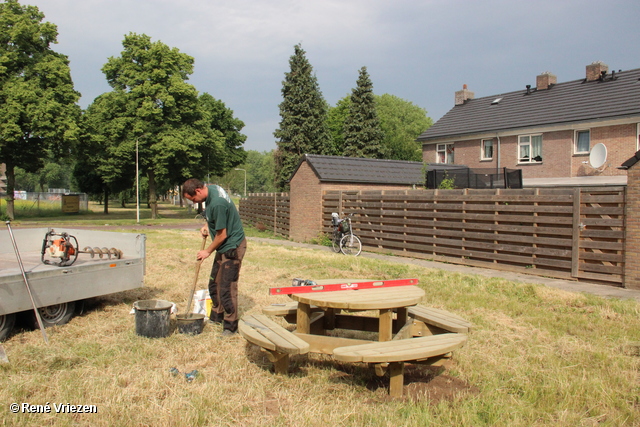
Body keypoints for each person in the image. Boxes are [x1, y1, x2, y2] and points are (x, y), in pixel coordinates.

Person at [182, 178, 247, 336]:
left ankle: (230, 326)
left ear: (198, 191)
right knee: (214, 283)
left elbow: (222, 235)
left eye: (193, 199)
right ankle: (216, 317)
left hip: (232, 246)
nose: (194, 202)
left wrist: (207, 252)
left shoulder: (217, 202)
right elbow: (216, 217)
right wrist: (206, 226)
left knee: (227, 287)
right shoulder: (212, 189)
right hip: (223, 246)